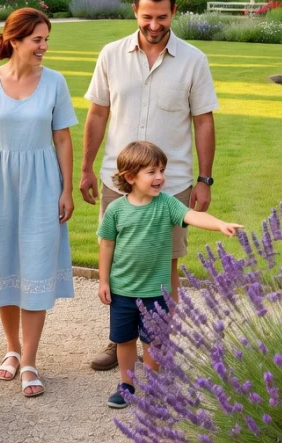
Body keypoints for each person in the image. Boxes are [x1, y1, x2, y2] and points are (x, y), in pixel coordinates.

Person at [80, 0, 220, 372]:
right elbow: (98, 113)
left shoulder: (193, 60)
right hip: (118, 182)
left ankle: (158, 345)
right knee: (120, 262)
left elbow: (204, 122)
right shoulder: (110, 54)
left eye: (162, 17)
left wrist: (205, 181)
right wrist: (87, 168)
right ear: (135, 12)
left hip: (170, 186)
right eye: (146, 17)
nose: (154, 25)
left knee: (165, 265)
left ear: (174, 12)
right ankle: (118, 339)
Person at [0, 8, 77, 398]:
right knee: (2, 265)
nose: (44, 47)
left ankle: (29, 360)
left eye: (47, 39)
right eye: (38, 40)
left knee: (36, 265)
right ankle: (11, 349)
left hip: (43, 183)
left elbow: (62, 139)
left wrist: (66, 189)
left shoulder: (55, 83)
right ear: (15, 40)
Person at [97, 141, 243, 408]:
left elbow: (193, 216)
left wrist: (219, 224)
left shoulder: (166, 205)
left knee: (153, 341)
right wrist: (104, 281)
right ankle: (127, 384)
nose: (160, 177)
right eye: (152, 172)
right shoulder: (116, 210)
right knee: (125, 340)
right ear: (130, 177)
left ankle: (154, 384)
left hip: (156, 291)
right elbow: (106, 245)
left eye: (162, 170)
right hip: (123, 291)